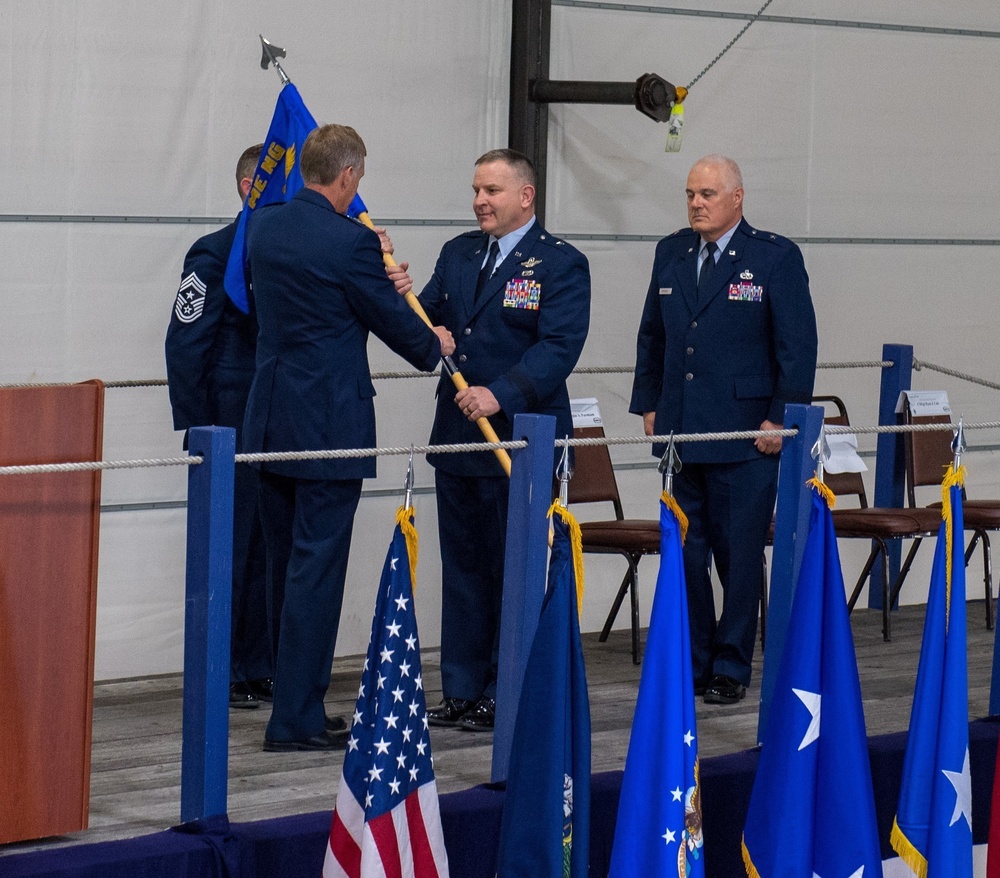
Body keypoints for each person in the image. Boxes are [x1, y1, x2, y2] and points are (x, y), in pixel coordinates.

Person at [242, 123, 454, 752]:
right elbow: (400, 331)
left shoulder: (265, 228)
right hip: (328, 423)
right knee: (316, 571)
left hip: (272, 419)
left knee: (286, 569)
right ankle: (296, 719)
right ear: (350, 175)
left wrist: (366, 259)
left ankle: (293, 701)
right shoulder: (351, 244)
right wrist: (433, 340)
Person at [630, 154, 817, 704]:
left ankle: (731, 666)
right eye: (690, 194)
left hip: (744, 433)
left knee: (737, 559)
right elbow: (653, 334)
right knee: (687, 552)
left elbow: (797, 345)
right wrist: (649, 402)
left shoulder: (773, 257)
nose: (695, 203)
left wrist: (781, 417)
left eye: (707, 194)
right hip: (683, 431)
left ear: (737, 197)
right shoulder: (671, 252)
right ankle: (693, 661)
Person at [418, 148, 591, 731]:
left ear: (526, 195)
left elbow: (559, 347)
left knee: (511, 566)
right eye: (475, 189)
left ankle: (504, 685)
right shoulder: (458, 252)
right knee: (463, 567)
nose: (479, 201)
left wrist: (502, 393)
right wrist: (405, 300)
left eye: (491, 190)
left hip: (519, 438)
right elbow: (432, 324)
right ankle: (462, 688)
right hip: (458, 434)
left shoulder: (561, 263)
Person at [164, 143, 274, 710]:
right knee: (227, 552)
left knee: (265, 550)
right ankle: (222, 668)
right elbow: (185, 344)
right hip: (227, 424)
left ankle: (258, 665)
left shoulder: (285, 253)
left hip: (276, 426)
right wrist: (201, 429)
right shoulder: (213, 254)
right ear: (248, 187)